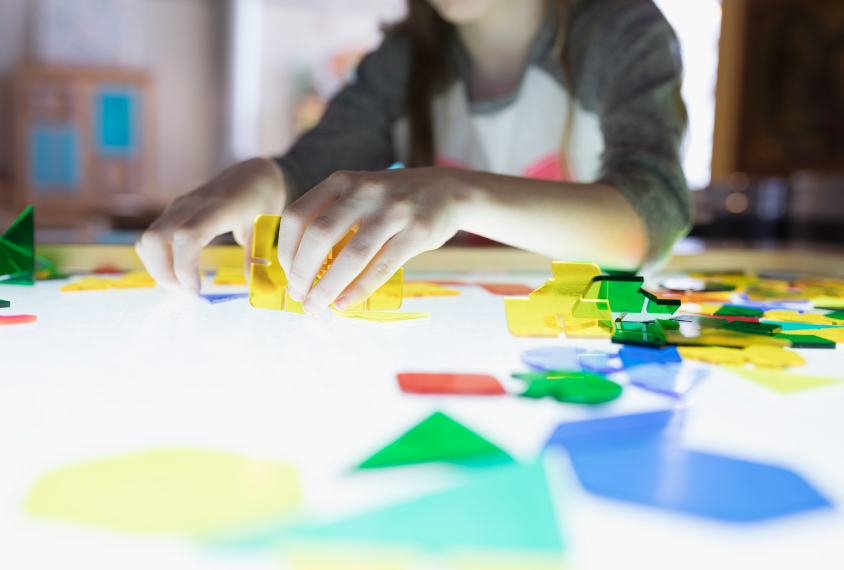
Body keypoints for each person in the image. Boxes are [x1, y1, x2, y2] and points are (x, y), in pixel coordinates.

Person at [137, 0, 692, 314]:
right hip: (454, 326)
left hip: (588, 335)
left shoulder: (621, 30)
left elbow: (652, 217)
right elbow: (305, 173)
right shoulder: (403, 59)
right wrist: (264, 176)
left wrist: (456, 193)